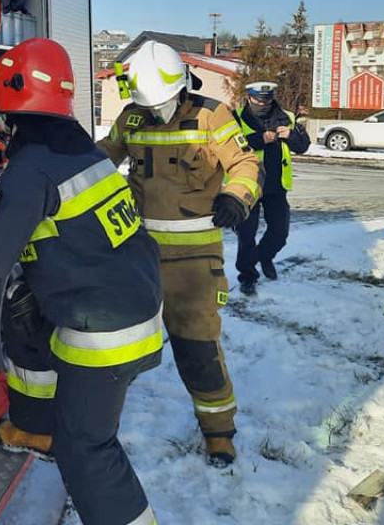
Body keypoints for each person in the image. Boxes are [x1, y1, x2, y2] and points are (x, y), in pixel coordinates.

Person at [0, 38, 164, 525]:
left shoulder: (31, 169)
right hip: (136, 309)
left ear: (8, 96)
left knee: (87, 450)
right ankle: (37, 429)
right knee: (30, 325)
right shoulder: (84, 150)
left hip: (106, 337)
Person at [96, 40, 261, 468]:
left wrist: (236, 197)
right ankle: (97, 426)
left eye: (164, 103)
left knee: (197, 348)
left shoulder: (212, 115)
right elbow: (101, 159)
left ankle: (218, 432)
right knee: (114, 346)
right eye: (151, 105)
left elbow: (245, 164)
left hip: (195, 263)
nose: (158, 111)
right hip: (138, 256)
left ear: (183, 87)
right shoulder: (133, 116)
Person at [232, 81, 311, 295]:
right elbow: (229, 146)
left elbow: (303, 146)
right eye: (258, 100)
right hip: (248, 184)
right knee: (246, 234)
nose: (263, 103)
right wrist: (259, 139)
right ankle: (247, 275)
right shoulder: (236, 117)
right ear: (249, 98)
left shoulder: (287, 117)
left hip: (276, 186)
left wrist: (291, 136)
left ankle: (264, 256)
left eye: (267, 100)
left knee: (280, 232)